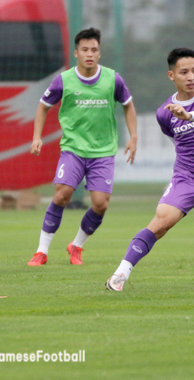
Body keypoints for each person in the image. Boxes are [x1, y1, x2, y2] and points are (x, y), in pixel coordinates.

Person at [106, 47, 194, 291]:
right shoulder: (164, 113)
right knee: (161, 224)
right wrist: (182, 118)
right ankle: (120, 274)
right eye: (184, 72)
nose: (191, 77)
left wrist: (188, 115)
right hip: (186, 178)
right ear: (172, 76)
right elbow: (178, 142)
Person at [27, 27, 137, 266]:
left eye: (94, 50)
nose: (90, 54)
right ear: (76, 53)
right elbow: (43, 106)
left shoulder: (112, 79)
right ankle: (41, 251)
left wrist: (133, 137)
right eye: (85, 49)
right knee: (62, 194)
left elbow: (128, 105)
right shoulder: (63, 80)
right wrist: (37, 137)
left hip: (103, 152)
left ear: (99, 53)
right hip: (73, 149)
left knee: (100, 204)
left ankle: (76, 245)